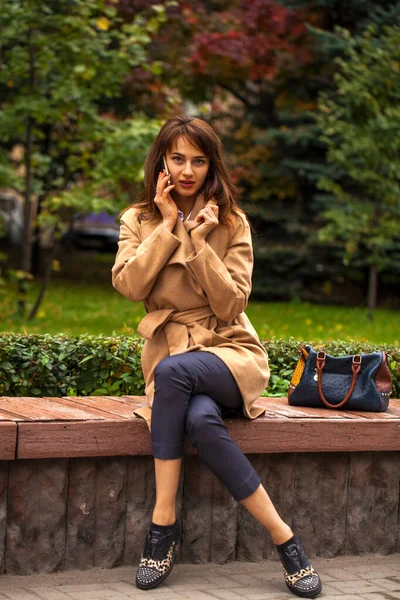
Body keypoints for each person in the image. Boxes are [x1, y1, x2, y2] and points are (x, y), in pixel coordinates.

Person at [111, 114, 322, 599]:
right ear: (162, 160)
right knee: (202, 423)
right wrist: (167, 227)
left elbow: (231, 305)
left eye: (199, 160)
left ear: (211, 166)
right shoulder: (137, 219)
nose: (187, 170)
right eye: (178, 158)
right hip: (174, 352)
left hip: (231, 352)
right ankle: (285, 539)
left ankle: (162, 524)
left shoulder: (231, 221)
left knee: (171, 374)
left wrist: (201, 243)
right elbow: (131, 285)